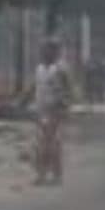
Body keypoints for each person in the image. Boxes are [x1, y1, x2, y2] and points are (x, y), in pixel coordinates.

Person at [30, 39, 74, 186]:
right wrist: (21, 101)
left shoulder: (61, 69)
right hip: (41, 110)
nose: (43, 52)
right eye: (43, 49)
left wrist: (64, 107)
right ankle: (41, 175)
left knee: (54, 145)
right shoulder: (40, 68)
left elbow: (70, 90)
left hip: (55, 112)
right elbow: (33, 86)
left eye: (47, 49)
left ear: (55, 52)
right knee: (40, 145)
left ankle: (56, 176)